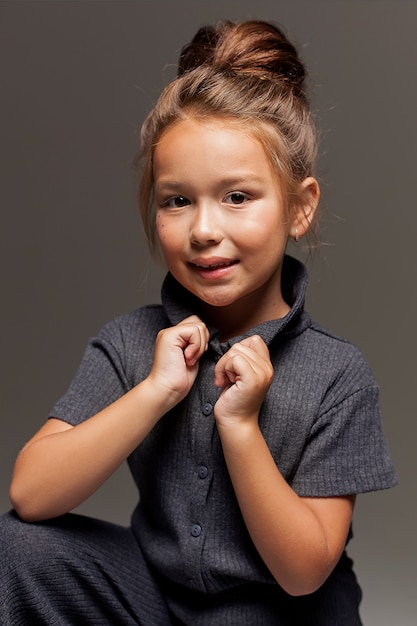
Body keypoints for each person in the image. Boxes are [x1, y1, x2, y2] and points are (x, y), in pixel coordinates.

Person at [0, 19, 397, 626]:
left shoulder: (336, 375)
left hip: (280, 614)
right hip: (156, 602)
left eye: (237, 197)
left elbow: (303, 571)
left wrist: (241, 428)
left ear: (299, 207)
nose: (204, 229)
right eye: (177, 200)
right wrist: (155, 392)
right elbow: (30, 495)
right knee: (18, 548)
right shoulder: (132, 344)